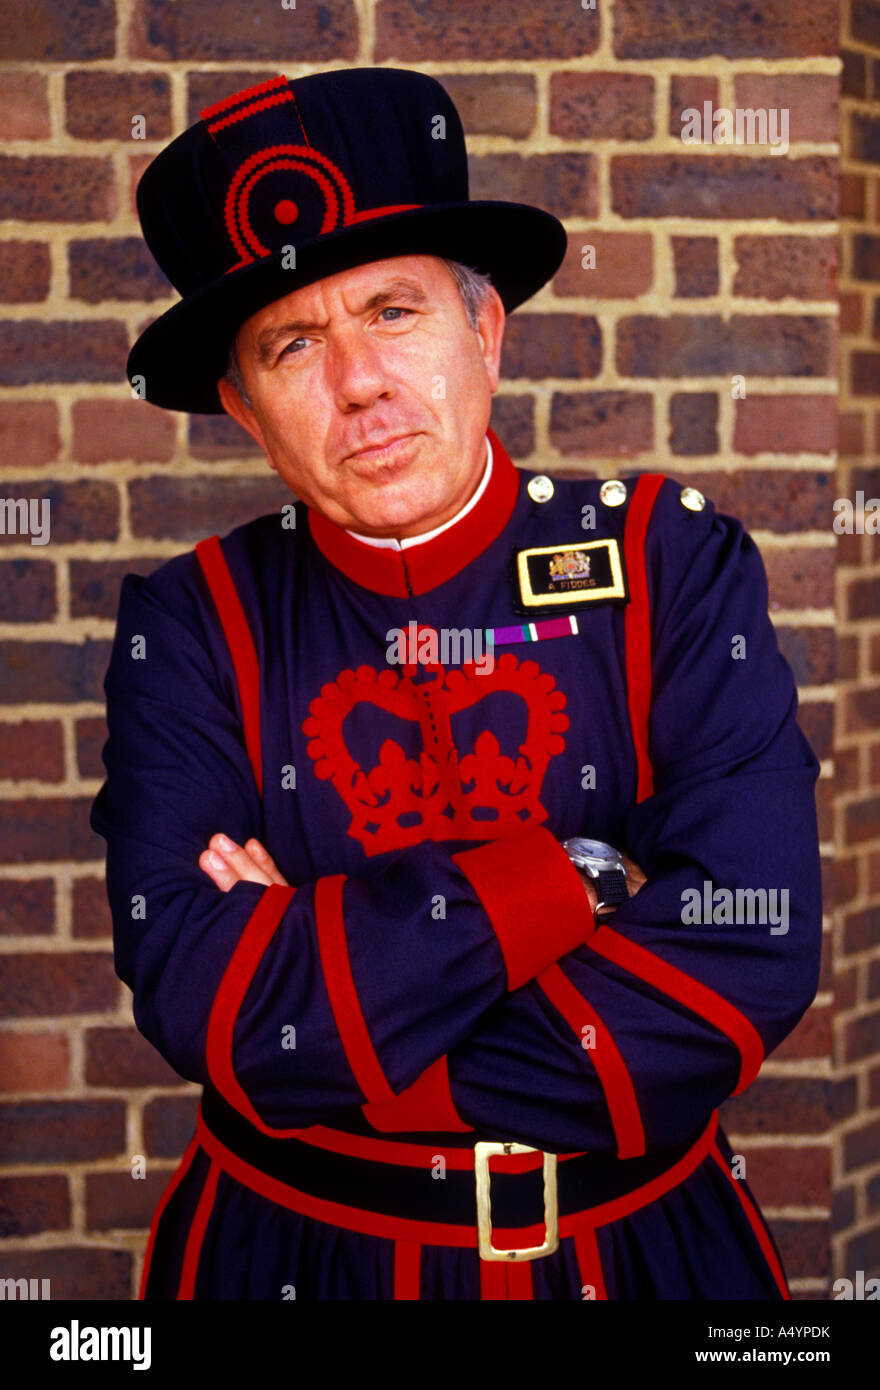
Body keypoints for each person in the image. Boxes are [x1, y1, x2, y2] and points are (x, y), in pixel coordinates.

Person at [90, 66, 823, 1301]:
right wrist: (573, 880)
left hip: (638, 1255)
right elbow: (204, 1001)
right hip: (297, 1262)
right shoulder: (193, 626)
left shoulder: (667, 563)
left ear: (486, 333)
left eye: (392, 311)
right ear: (242, 407)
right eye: (291, 344)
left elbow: (742, 957)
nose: (358, 382)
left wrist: (331, 1011)